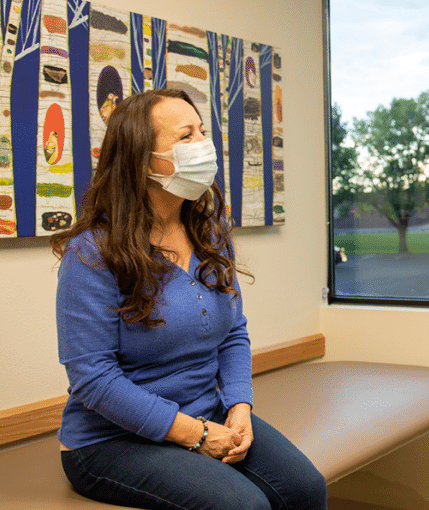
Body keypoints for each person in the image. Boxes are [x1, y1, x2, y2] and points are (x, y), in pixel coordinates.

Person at [51, 89, 327, 510]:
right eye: (186, 136)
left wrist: (238, 406)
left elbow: (233, 332)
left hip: (208, 413)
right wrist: (193, 434)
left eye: (202, 132)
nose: (204, 145)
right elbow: (93, 377)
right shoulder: (92, 253)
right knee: (243, 507)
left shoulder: (210, 234)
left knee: (306, 489)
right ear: (143, 161)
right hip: (111, 440)